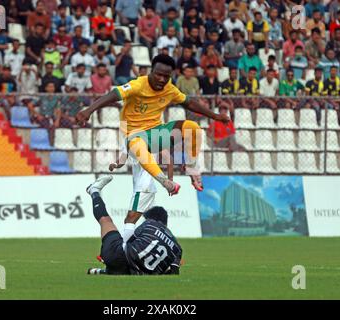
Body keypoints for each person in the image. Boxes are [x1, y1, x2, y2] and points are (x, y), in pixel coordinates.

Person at [75, 55, 230, 194]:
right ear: (151, 71)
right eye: (159, 75)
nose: (162, 79)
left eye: (166, 76)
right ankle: (166, 182)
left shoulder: (170, 89)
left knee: (193, 128)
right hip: (134, 136)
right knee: (136, 144)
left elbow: (189, 103)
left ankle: (192, 168)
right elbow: (113, 94)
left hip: (157, 133)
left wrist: (216, 116)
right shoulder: (138, 85)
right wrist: (89, 110)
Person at [85, 175, 182, 275]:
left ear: (152, 218)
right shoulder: (178, 249)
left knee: (106, 221)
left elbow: (127, 241)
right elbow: (174, 273)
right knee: (131, 265)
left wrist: (106, 253)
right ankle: (104, 271)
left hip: (117, 257)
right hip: (134, 271)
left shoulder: (150, 224)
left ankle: (94, 191)